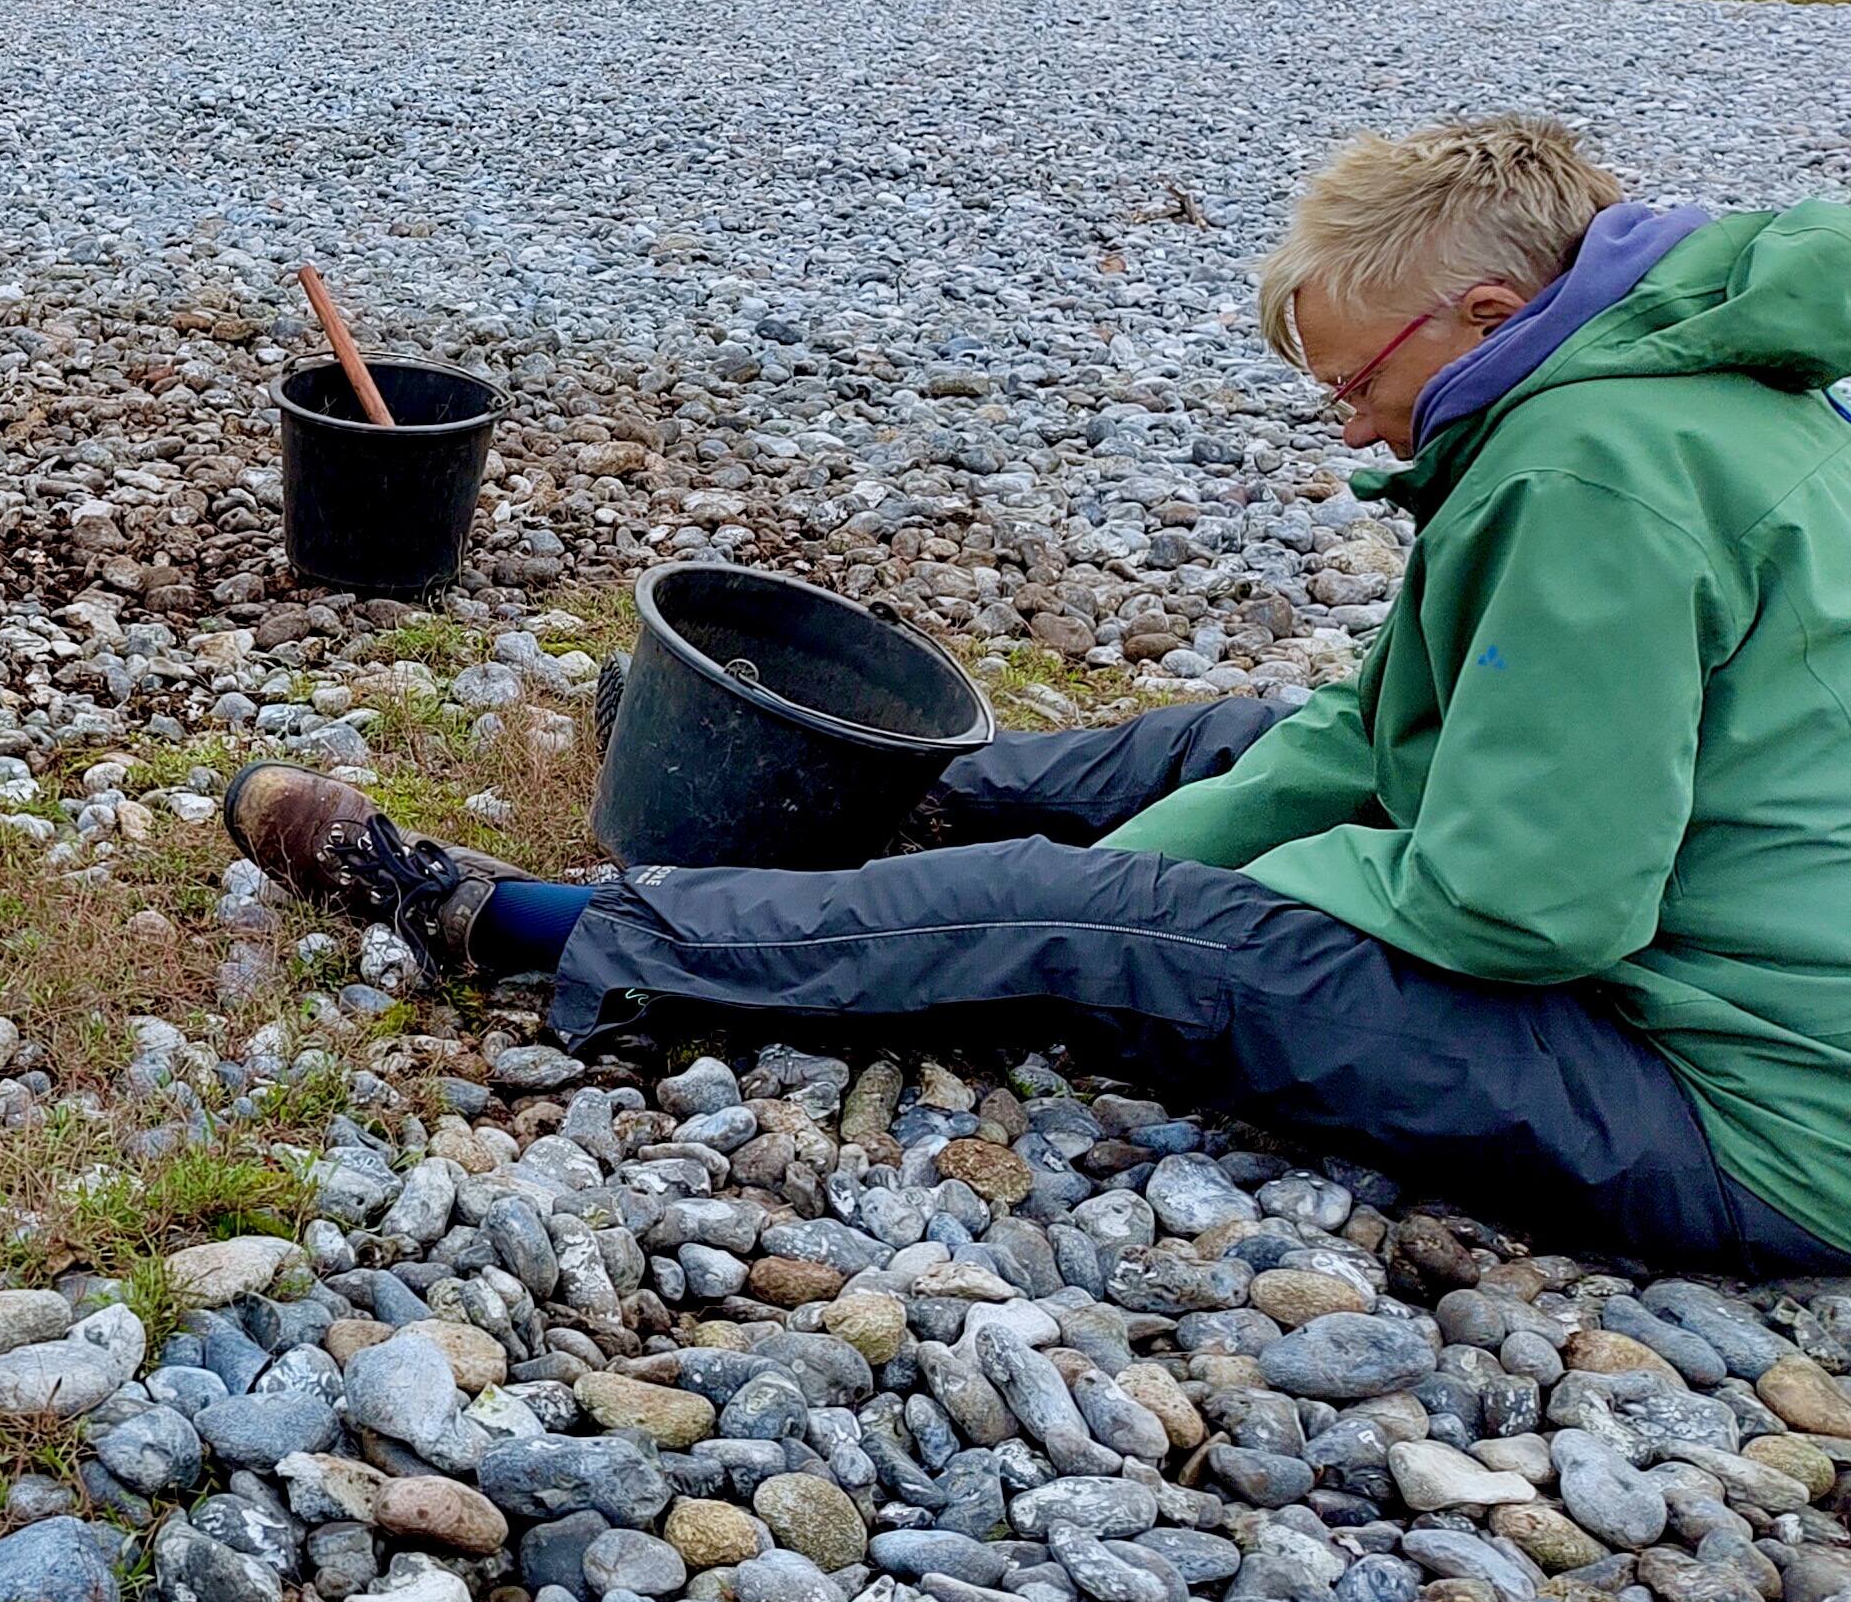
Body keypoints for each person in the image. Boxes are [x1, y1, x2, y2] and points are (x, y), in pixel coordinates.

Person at [230, 117, 1851, 1273]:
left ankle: (511, 926)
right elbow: (1372, 740)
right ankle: (884, 823)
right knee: (1244, 743)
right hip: (1711, 990)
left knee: (1108, 922)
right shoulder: (1679, 390)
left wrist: (1176, 891)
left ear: (1490, 315)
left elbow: (1528, 911)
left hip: (1726, 1107)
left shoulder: (1589, 475)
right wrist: (1192, 842)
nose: (1355, 430)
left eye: (1359, 382)